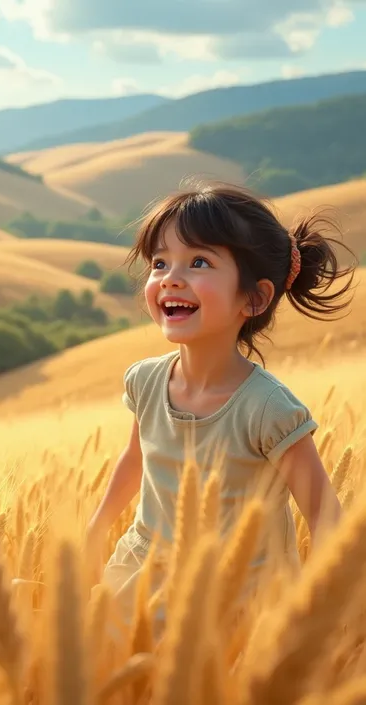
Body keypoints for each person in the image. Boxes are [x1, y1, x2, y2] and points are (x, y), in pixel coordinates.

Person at [85, 182, 357, 622]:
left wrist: (324, 613)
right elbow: (137, 458)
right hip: (142, 578)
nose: (170, 276)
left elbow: (326, 517)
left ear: (254, 298)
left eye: (199, 262)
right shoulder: (145, 381)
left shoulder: (269, 408)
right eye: (159, 261)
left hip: (237, 600)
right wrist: (96, 529)